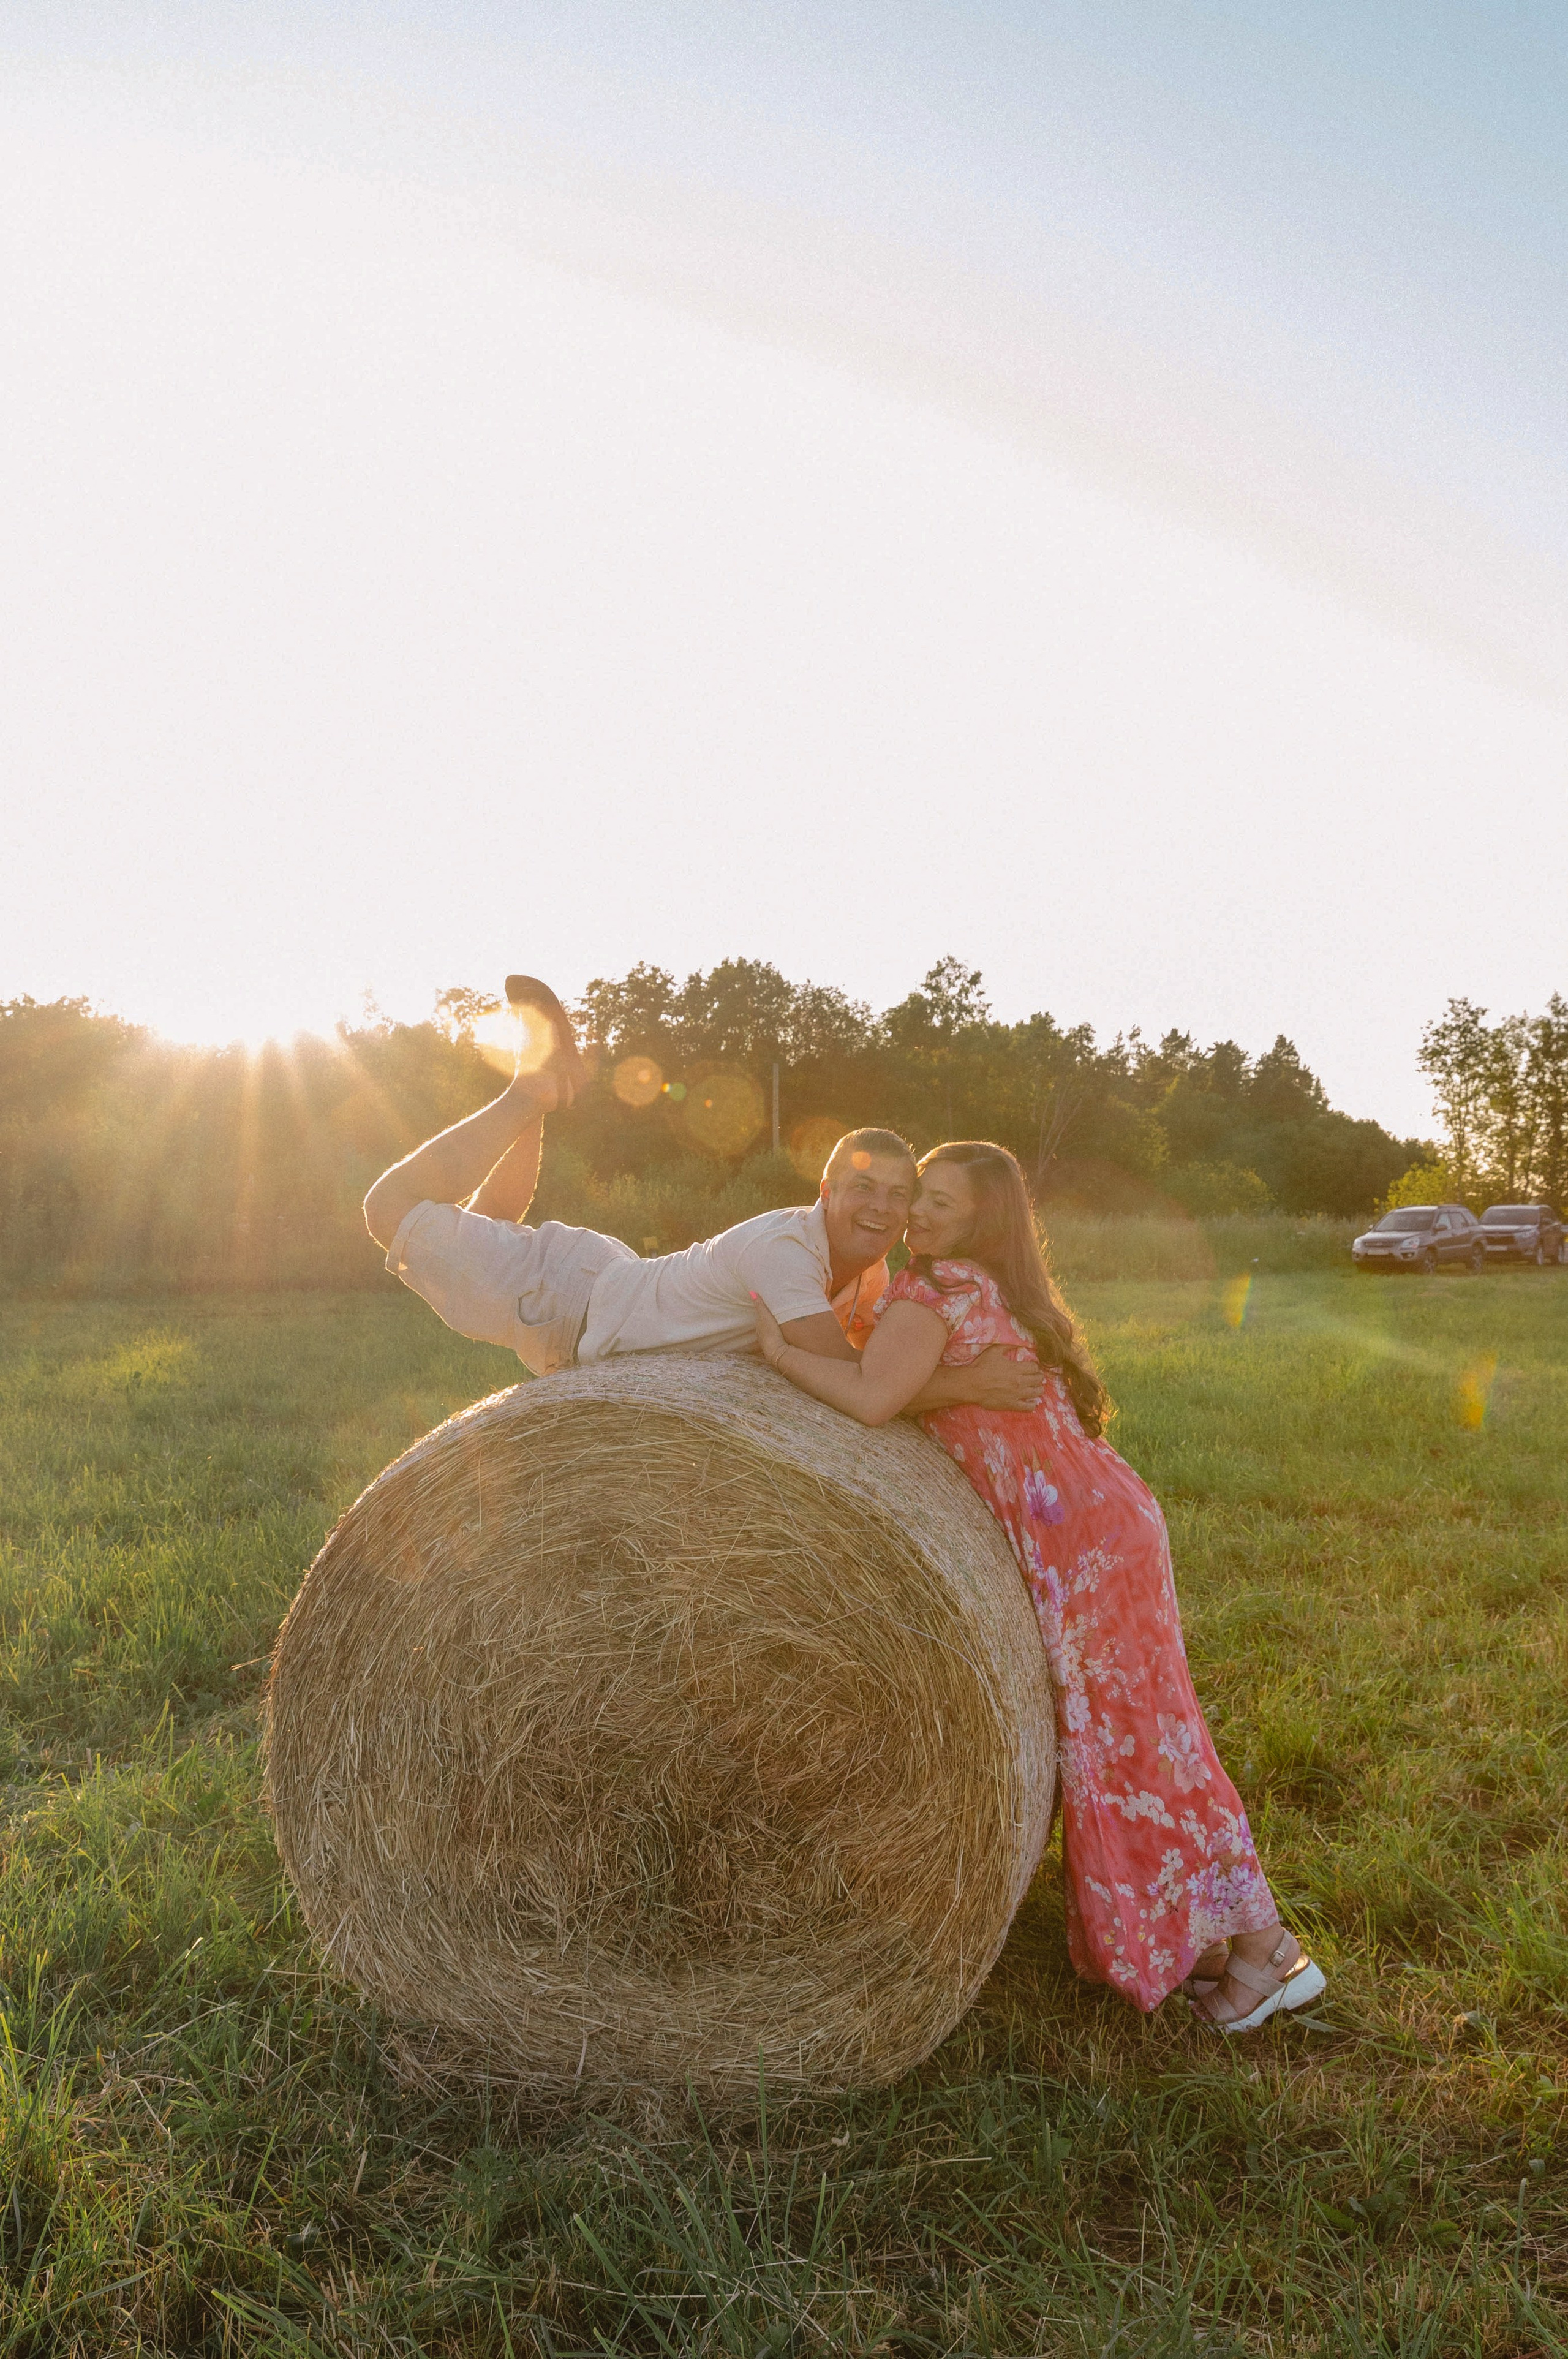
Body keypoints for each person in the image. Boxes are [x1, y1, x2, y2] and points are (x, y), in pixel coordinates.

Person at [753, 1139, 1326, 2034]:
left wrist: (780, 1357)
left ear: (980, 1221)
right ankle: (1205, 1929)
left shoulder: (936, 1288)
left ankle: (1265, 1947)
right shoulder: (992, 1284)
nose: (920, 1216)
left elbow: (870, 1397)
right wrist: (951, 1384)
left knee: (1138, 1747)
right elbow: (924, 1390)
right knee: (1147, 1739)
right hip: (1106, 1524)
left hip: (1081, 1548)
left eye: (941, 1203)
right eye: (920, 1198)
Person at [361, 978, 1039, 1421]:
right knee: (389, 1207)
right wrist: (969, 1385)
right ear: (825, 1192)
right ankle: (528, 1092)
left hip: (601, 1288)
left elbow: (872, 1376)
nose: (883, 1208)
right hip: (566, 1301)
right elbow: (859, 1388)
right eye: (863, 1187)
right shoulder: (786, 1252)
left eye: (899, 1195)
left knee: (485, 1226)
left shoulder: (866, 1273)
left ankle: (536, 1096)